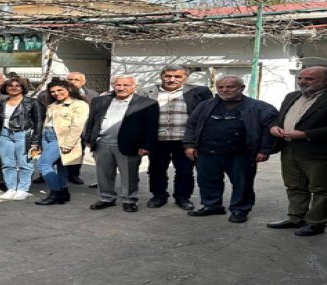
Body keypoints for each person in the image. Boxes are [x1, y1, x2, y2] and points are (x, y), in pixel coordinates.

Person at [267, 66, 327, 236]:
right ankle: (296, 217)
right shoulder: (292, 96)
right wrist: (274, 127)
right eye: (300, 78)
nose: (302, 82)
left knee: (320, 189)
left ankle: (316, 222)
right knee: (294, 185)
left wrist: (306, 134)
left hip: (319, 152)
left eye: (309, 79)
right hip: (289, 148)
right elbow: (280, 117)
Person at [182, 76, 278, 223]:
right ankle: (212, 205)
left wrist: (264, 150)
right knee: (207, 181)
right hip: (208, 152)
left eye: (230, 87)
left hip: (241, 154)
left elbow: (269, 130)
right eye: (220, 87)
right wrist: (189, 145)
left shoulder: (260, 108)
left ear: (242, 88)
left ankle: (240, 210)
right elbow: (192, 125)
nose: (224, 90)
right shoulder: (205, 105)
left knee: (242, 183)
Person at [137, 65, 212, 211]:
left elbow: (206, 117)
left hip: (185, 141)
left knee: (185, 171)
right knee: (156, 170)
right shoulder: (146, 92)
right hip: (157, 140)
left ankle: (182, 197)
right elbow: (139, 118)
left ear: (186, 77)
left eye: (177, 76)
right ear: (161, 76)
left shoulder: (199, 92)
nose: (172, 79)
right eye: (168, 76)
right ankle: (159, 196)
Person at [83, 76, 159, 213]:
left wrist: (146, 146)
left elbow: (151, 127)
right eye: (118, 85)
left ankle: (129, 200)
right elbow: (91, 121)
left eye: (126, 85)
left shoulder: (147, 103)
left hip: (130, 144)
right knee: (103, 174)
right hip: (102, 143)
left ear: (134, 86)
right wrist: (88, 138)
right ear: (113, 85)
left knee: (129, 175)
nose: (121, 88)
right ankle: (106, 198)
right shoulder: (99, 101)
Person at [34, 80, 89, 205]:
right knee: (60, 166)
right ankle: (64, 192)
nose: (56, 93)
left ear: (69, 89)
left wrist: (69, 144)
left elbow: (77, 126)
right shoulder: (53, 104)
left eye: (59, 90)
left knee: (43, 165)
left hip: (60, 138)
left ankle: (55, 193)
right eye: (52, 91)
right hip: (46, 135)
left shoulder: (79, 104)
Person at [0, 77, 42, 201]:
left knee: (26, 163)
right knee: (7, 163)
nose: (14, 87)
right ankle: (11, 188)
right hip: (3, 134)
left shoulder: (32, 102)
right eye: (10, 85)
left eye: (18, 85)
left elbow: (38, 123)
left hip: (25, 134)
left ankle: (23, 189)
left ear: (23, 88)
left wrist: (36, 141)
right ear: (5, 88)